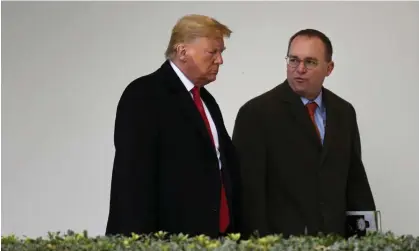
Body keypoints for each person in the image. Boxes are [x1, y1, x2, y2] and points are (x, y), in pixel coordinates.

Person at [105, 14, 240, 238]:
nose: (219, 60)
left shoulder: (207, 101)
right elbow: (133, 182)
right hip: (168, 240)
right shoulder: (144, 95)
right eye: (212, 52)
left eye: (221, 53)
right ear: (182, 51)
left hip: (215, 237)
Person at [232, 29, 376, 238]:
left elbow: (355, 182)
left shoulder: (343, 112)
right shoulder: (256, 113)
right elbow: (249, 195)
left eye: (310, 62)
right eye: (293, 60)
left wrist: (366, 240)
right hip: (282, 243)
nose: (299, 69)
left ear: (329, 68)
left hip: (336, 241)